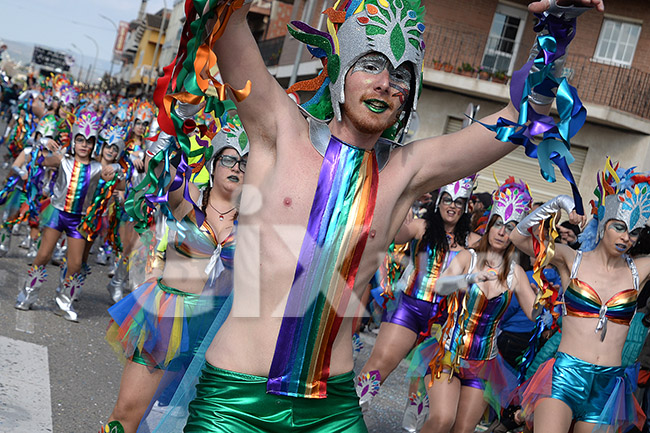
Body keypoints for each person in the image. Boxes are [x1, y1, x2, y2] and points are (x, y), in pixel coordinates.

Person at [142, 0, 604, 431]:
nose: (388, 82)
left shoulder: (406, 171)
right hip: (234, 400)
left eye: (402, 75)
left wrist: (557, 28)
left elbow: (523, 117)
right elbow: (227, 23)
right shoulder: (278, 127)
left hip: (331, 408)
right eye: (372, 65)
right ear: (342, 71)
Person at [102, 114, 248, 433]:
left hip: (216, 332)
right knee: (127, 413)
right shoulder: (189, 197)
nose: (236, 167)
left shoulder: (253, 217)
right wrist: (174, 130)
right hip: (170, 319)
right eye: (229, 159)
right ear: (213, 162)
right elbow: (160, 171)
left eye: (244, 162)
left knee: (192, 425)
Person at [510, 158, 650, 433]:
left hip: (608, 386)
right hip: (565, 375)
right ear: (601, 223)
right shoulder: (570, 259)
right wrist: (558, 204)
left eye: (633, 232)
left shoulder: (640, 269)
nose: (626, 238)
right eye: (618, 226)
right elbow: (518, 237)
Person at [358, 176, 481, 431]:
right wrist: (407, 197)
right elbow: (394, 234)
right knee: (380, 364)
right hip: (410, 308)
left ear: (466, 206)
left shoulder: (473, 241)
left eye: (459, 202)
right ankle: (350, 418)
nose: (452, 206)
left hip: (447, 321)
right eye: (447, 199)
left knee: (428, 386)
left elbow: (499, 256)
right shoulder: (422, 226)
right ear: (439, 201)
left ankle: (412, 427)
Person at [419, 177, 538, 433]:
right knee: (442, 419)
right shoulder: (467, 257)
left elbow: (533, 312)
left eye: (510, 227)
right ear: (489, 226)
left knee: (463, 430)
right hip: (448, 354)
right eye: (498, 224)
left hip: (484, 363)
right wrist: (470, 278)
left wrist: (553, 294)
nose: (502, 232)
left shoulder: (515, 273)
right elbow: (440, 286)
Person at [13, 110, 116, 321]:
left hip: (78, 220)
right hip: (57, 214)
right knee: (43, 256)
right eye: (80, 140)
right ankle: (28, 294)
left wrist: (117, 171)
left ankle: (64, 302)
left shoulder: (97, 168)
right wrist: (44, 143)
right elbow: (37, 161)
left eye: (89, 141)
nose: (84, 145)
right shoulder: (62, 160)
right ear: (74, 141)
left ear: (94, 144)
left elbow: (119, 183)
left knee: (76, 264)